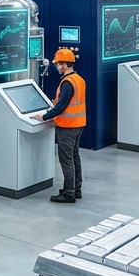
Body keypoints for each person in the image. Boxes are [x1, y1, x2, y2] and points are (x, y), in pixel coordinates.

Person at [30, 48, 85, 204]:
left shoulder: (68, 83)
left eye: (58, 64)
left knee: (66, 159)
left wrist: (44, 116)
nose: (57, 67)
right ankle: (76, 189)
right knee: (74, 157)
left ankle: (69, 193)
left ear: (65, 64)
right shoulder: (79, 79)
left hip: (68, 127)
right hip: (78, 125)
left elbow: (61, 106)